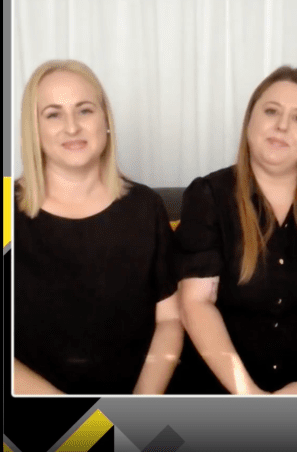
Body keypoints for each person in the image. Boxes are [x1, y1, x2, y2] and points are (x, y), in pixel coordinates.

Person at [14, 60, 182, 394]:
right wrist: (83, 428)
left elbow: (170, 320)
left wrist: (139, 412)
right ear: (34, 129)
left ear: (105, 121)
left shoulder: (146, 207)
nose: (72, 127)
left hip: (139, 403)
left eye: (85, 110)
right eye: (53, 114)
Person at [171, 66, 297, 395]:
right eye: (271, 111)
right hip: (219, 391)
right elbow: (196, 303)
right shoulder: (208, 195)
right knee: (105, 442)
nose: (282, 126)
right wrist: (249, 395)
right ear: (251, 119)